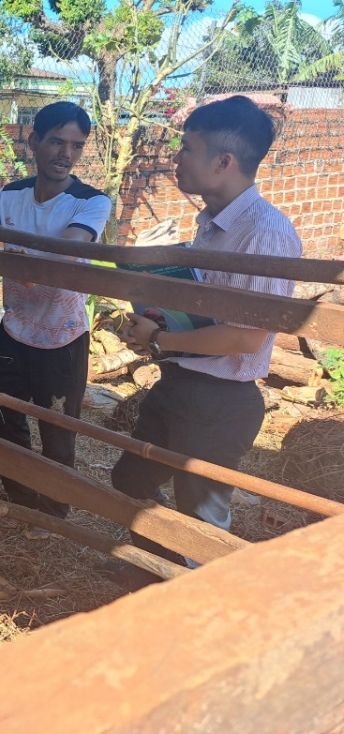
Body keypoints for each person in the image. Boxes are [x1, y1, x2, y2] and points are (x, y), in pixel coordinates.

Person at [108, 95, 301, 585]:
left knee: (202, 518)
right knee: (130, 479)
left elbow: (247, 337)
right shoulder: (208, 227)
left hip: (221, 400)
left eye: (185, 149)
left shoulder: (267, 233)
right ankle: (157, 575)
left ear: (223, 161)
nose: (177, 160)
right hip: (179, 383)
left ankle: (197, 607)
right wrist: (154, 322)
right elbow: (200, 312)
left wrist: (163, 340)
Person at [0, 101, 112, 529]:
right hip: (15, 328)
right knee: (0, 416)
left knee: (57, 429)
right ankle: (22, 498)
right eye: (56, 141)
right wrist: (16, 256)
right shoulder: (10, 194)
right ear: (33, 142)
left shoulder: (91, 202)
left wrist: (10, 251)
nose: (65, 154)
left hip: (63, 337)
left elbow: (62, 254)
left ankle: (54, 513)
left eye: (76, 145)